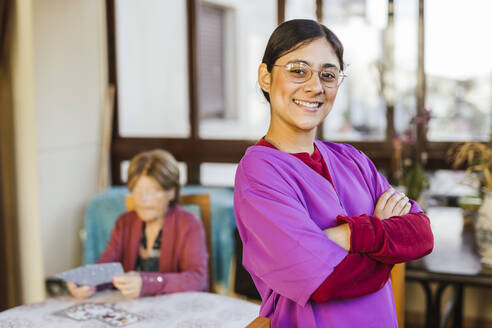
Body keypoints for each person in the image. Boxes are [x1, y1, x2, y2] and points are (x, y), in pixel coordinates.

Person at [233, 19, 434, 327]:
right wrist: (386, 242)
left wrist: (349, 235)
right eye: (298, 70)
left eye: (328, 74)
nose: (315, 87)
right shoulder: (260, 171)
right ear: (265, 76)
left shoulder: (351, 159)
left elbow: (421, 234)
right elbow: (327, 282)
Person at [68, 149, 208, 299]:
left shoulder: (189, 224)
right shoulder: (125, 222)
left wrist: (148, 282)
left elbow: (197, 280)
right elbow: (108, 266)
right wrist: (87, 280)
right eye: (137, 190)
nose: (144, 199)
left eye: (154, 191)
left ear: (172, 192)